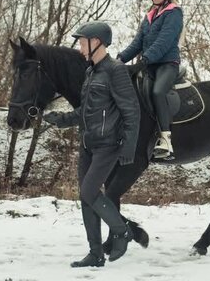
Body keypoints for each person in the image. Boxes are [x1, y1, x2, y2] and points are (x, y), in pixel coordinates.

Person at [42, 21, 140, 268]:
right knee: (86, 198)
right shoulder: (90, 72)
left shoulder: (115, 71)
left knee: (88, 192)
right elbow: (84, 111)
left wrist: (128, 147)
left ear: (97, 42)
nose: (80, 47)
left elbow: (131, 111)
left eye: (83, 41)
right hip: (88, 144)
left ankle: (122, 230)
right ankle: (95, 253)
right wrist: (62, 120)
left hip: (108, 145)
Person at [117, 0, 183, 160]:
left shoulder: (174, 13)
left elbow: (164, 41)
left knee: (157, 92)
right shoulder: (149, 16)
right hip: (149, 65)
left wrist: (144, 60)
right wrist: (119, 59)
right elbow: (137, 42)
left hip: (167, 64)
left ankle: (166, 140)